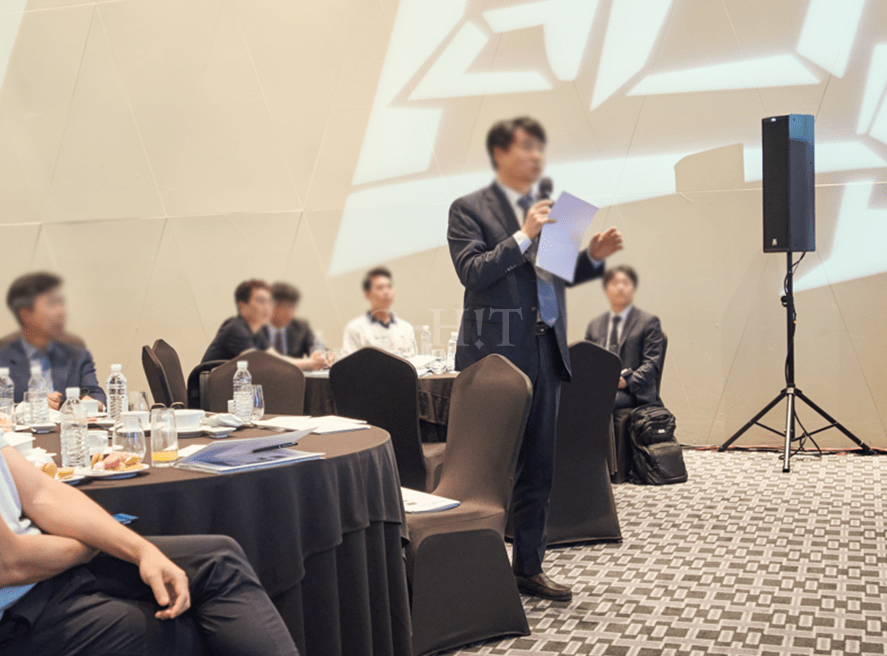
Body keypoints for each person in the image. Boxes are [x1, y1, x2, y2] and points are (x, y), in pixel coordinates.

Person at [448, 116, 623, 601]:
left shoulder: (549, 209)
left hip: (546, 350)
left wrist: (592, 256)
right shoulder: (469, 209)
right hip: (495, 360)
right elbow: (472, 271)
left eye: (540, 148)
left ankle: (528, 567)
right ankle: (466, 567)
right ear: (500, 153)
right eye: (526, 147)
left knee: (539, 467)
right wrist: (523, 236)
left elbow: (552, 276)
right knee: (485, 467)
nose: (537, 157)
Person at [0, 435, 300, 655]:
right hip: (16, 608)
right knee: (161, 628)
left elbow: (42, 492)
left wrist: (141, 550)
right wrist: (87, 547)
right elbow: (10, 563)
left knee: (218, 559)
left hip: (47, 571)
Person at [0, 273, 105, 409]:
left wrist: (93, 403)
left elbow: (96, 394)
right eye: (52, 303)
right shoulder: (3, 359)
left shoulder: (77, 355)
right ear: (25, 314)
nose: (61, 312)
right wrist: (30, 407)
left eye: (61, 303)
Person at [585, 265, 664, 408]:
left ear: (633, 288)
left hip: (634, 391)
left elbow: (651, 365)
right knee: (569, 398)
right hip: (600, 387)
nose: (620, 287)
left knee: (599, 401)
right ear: (606, 290)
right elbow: (587, 361)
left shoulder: (648, 322)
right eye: (615, 283)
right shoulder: (595, 324)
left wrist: (627, 380)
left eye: (626, 283)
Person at [341, 268, 416, 356]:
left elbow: (412, 360)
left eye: (389, 287)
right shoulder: (355, 328)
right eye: (380, 288)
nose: (386, 292)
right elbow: (349, 361)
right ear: (367, 294)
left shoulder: (406, 328)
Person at [201, 280, 273, 363]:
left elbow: (276, 359)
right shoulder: (236, 328)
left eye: (269, 302)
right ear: (242, 305)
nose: (267, 307)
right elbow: (255, 362)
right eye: (261, 301)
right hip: (212, 371)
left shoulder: (257, 332)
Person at [268, 283, 315, 358]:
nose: (289, 313)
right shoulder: (257, 328)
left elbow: (316, 349)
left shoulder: (300, 327)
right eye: (285, 306)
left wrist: (327, 355)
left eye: (292, 307)